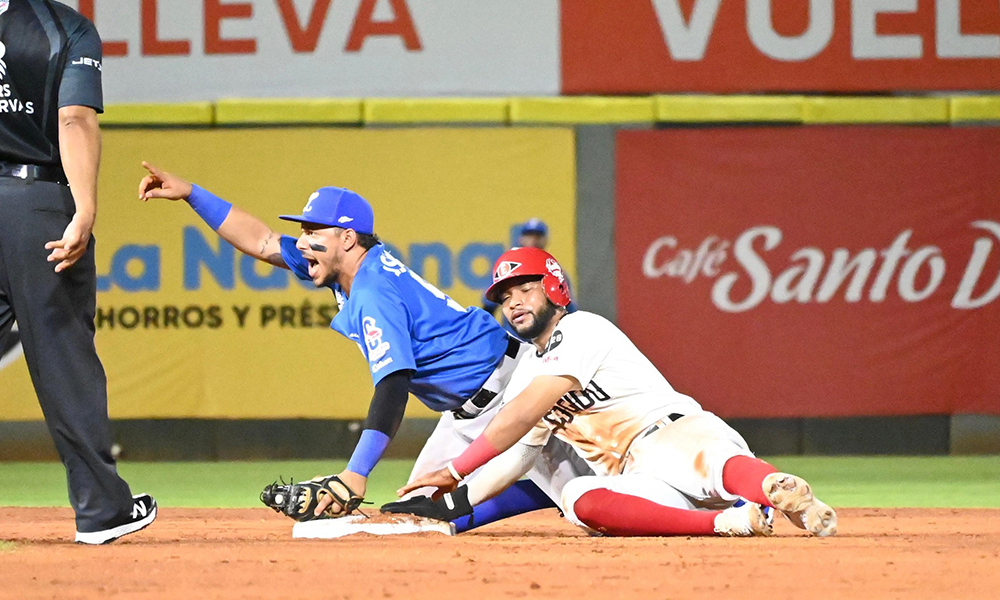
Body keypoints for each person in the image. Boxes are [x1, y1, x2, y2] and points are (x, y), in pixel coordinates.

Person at [137, 164, 590, 529]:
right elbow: (263, 241)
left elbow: (393, 386)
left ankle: (550, 489)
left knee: (587, 497)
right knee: (415, 514)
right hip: (463, 412)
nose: (304, 241)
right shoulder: (344, 266)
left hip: (515, 392)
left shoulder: (372, 290)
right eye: (305, 231)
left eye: (315, 231)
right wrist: (192, 192)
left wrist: (356, 475)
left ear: (347, 238)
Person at [398, 247, 838, 538]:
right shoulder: (527, 368)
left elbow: (520, 416)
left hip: (670, 436)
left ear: (554, 289)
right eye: (506, 296)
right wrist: (459, 504)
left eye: (526, 289)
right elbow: (518, 456)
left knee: (707, 463)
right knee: (578, 499)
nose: (513, 303)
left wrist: (455, 472)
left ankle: (773, 486)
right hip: (635, 479)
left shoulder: (581, 328)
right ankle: (728, 522)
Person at [0, 1, 155, 544]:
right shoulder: (64, 27)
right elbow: (74, 118)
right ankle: (101, 510)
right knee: (65, 359)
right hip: (34, 203)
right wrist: (84, 209)